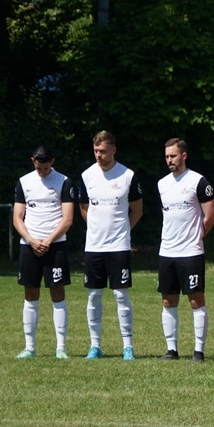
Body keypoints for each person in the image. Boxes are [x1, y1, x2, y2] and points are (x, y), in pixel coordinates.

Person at [78, 131, 143, 360]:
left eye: (103, 151)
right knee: (94, 295)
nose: (99, 155)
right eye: (96, 151)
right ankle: (95, 346)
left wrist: (122, 231)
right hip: (94, 247)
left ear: (113, 150)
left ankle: (128, 347)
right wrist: (97, 229)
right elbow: (83, 208)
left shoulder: (127, 175)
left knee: (120, 295)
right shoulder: (87, 176)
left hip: (119, 246)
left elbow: (137, 210)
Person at [157, 138, 214, 363]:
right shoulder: (162, 184)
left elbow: (211, 216)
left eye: (173, 155)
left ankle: (198, 351)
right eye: (167, 156)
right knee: (168, 300)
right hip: (167, 251)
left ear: (184, 155)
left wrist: (196, 237)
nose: (169, 160)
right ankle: (171, 350)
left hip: (191, 252)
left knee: (196, 300)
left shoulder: (198, 181)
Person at [12, 145, 75, 359]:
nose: (43, 172)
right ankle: (29, 348)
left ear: (52, 162)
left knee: (57, 293)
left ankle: (61, 348)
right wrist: (31, 241)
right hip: (29, 246)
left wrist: (47, 241)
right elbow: (17, 218)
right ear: (33, 161)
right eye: (39, 168)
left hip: (55, 246)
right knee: (30, 294)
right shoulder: (24, 182)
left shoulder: (64, 181)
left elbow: (68, 219)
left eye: (46, 168)